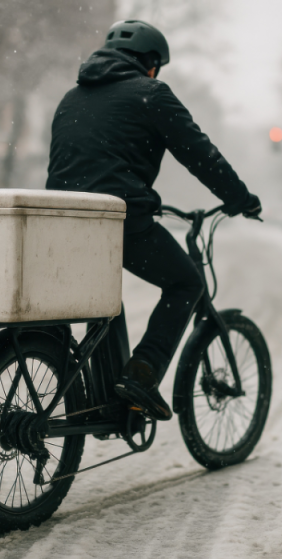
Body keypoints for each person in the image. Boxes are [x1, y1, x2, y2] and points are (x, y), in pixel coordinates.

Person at [46, 19, 261, 421]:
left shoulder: (70, 98)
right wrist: (240, 198)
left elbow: (79, 163)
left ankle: (108, 397)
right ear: (149, 63)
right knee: (187, 283)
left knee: (104, 302)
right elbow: (201, 154)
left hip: (63, 221)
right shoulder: (151, 94)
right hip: (118, 220)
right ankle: (142, 376)